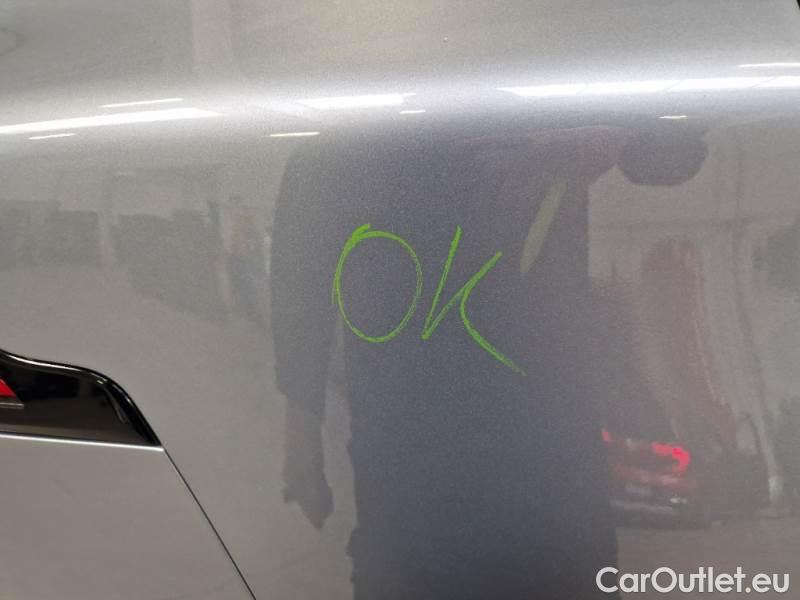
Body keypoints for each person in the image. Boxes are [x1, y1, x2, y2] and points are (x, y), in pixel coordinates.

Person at [270, 121, 705, 598]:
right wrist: (301, 426)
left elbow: (674, 153)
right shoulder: (345, 151)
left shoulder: (541, 113)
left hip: (530, 459)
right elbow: (302, 267)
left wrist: (610, 129)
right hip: (432, 466)